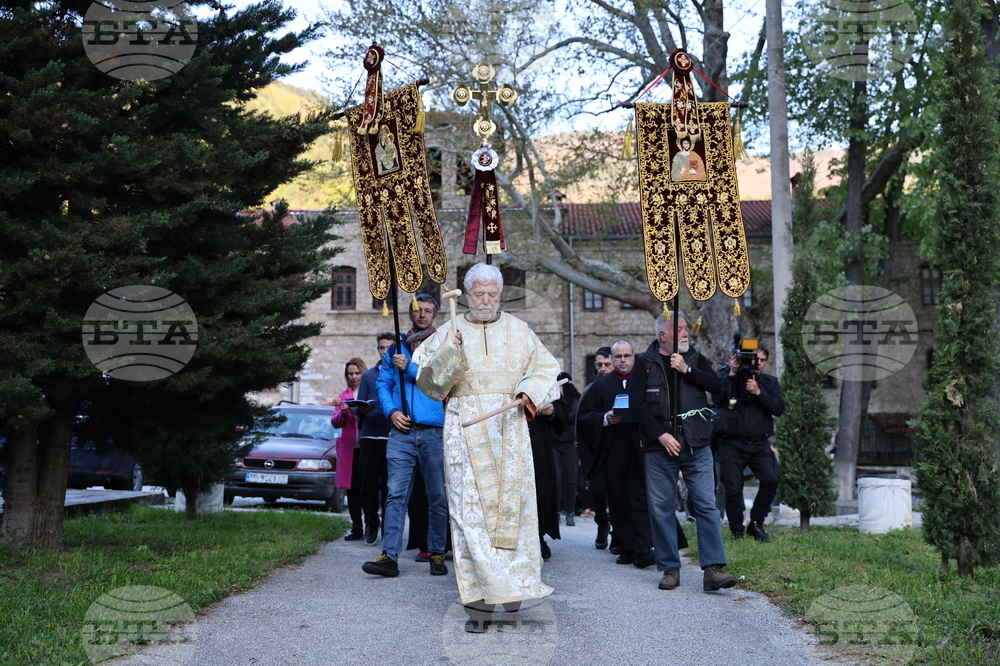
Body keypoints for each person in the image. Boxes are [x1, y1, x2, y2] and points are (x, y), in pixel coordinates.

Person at [414, 262, 560, 633]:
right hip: (464, 432)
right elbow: (429, 384)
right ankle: (478, 607)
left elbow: (547, 371)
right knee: (470, 517)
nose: (485, 300)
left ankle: (511, 591)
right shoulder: (449, 331)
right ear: (466, 293)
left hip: (510, 429)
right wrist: (450, 354)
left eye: (492, 294)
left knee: (513, 511)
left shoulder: (520, 330)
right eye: (479, 293)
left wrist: (530, 391)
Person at [629, 312, 737, 592]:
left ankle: (712, 570)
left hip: (696, 444)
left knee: (706, 506)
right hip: (659, 445)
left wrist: (686, 370)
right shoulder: (645, 364)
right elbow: (637, 406)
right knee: (661, 509)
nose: (686, 333)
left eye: (686, 328)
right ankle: (670, 568)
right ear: (663, 335)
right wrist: (661, 435)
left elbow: (718, 390)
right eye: (679, 329)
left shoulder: (695, 359)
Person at [362, 295, 448, 578]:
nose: (422, 314)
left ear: (435, 315)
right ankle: (389, 556)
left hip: (433, 432)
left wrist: (409, 367)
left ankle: (436, 551)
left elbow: (441, 382)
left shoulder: (442, 345)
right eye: (417, 310)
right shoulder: (396, 347)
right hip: (401, 432)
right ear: (411, 313)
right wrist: (391, 412)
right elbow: (383, 385)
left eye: (427, 311)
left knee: (437, 494)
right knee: (395, 494)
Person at [577, 339, 655, 569]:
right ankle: (626, 546)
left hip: (641, 445)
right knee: (618, 497)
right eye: (618, 357)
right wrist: (605, 418)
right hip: (613, 447)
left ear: (634, 357)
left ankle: (643, 546)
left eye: (626, 356)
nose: (622, 360)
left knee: (640, 495)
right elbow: (584, 417)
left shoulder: (646, 381)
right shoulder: (600, 386)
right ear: (612, 359)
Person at [712, 343, 785, 542]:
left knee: (771, 479)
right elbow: (717, 399)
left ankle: (756, 524)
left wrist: (758, 392)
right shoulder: (729, 376)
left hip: (760, 443)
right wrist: (733, 373)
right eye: (755, 359)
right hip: (732, 443)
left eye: (763, 360)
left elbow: (778, 408)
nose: (758, 364)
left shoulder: (769, 382)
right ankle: (736, 530)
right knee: (733, 488)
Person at [354, 332, 395, 546]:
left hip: (392, 437)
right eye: (381, 347)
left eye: (389, 347)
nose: (385, 351)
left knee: (389, 487)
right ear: (377, 350)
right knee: (368, 485)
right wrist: (360, 409)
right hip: (369, 436)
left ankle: (389, 528)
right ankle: (371, 523)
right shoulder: (369, 375)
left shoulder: (399, 374)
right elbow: (360, 407)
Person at [576, 348, 613, 549]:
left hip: (616, 450)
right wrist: (580, 452)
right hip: (595, 451)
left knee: (617, 493)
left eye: (607, 364)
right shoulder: (590, 389)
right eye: (599, 364)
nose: (603, 368)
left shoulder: (621, 386)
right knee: (597, 492)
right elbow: (579, 422)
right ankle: (602, 525)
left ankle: (618, 533)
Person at [331, 357, 367, 540]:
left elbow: (374, 418)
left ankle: (371, 525)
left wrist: (359, 413)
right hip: (348, 450)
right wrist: (344, 413)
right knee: (351, 489)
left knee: (367, 488)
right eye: (350, 374)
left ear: (363, 372)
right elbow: (335, 422)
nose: (353, 377)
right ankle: (356, 527)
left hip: (367, 448)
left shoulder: (369, 393)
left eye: (357, 373)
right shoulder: (343, 396)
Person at [550, 372, 581, 528]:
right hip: (554, 442)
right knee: (555, 478)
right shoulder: (551, 397)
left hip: (569, 443)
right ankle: (554, 511)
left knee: (570, 479)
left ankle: (570, 512)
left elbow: (571, 417)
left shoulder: (574, 398)